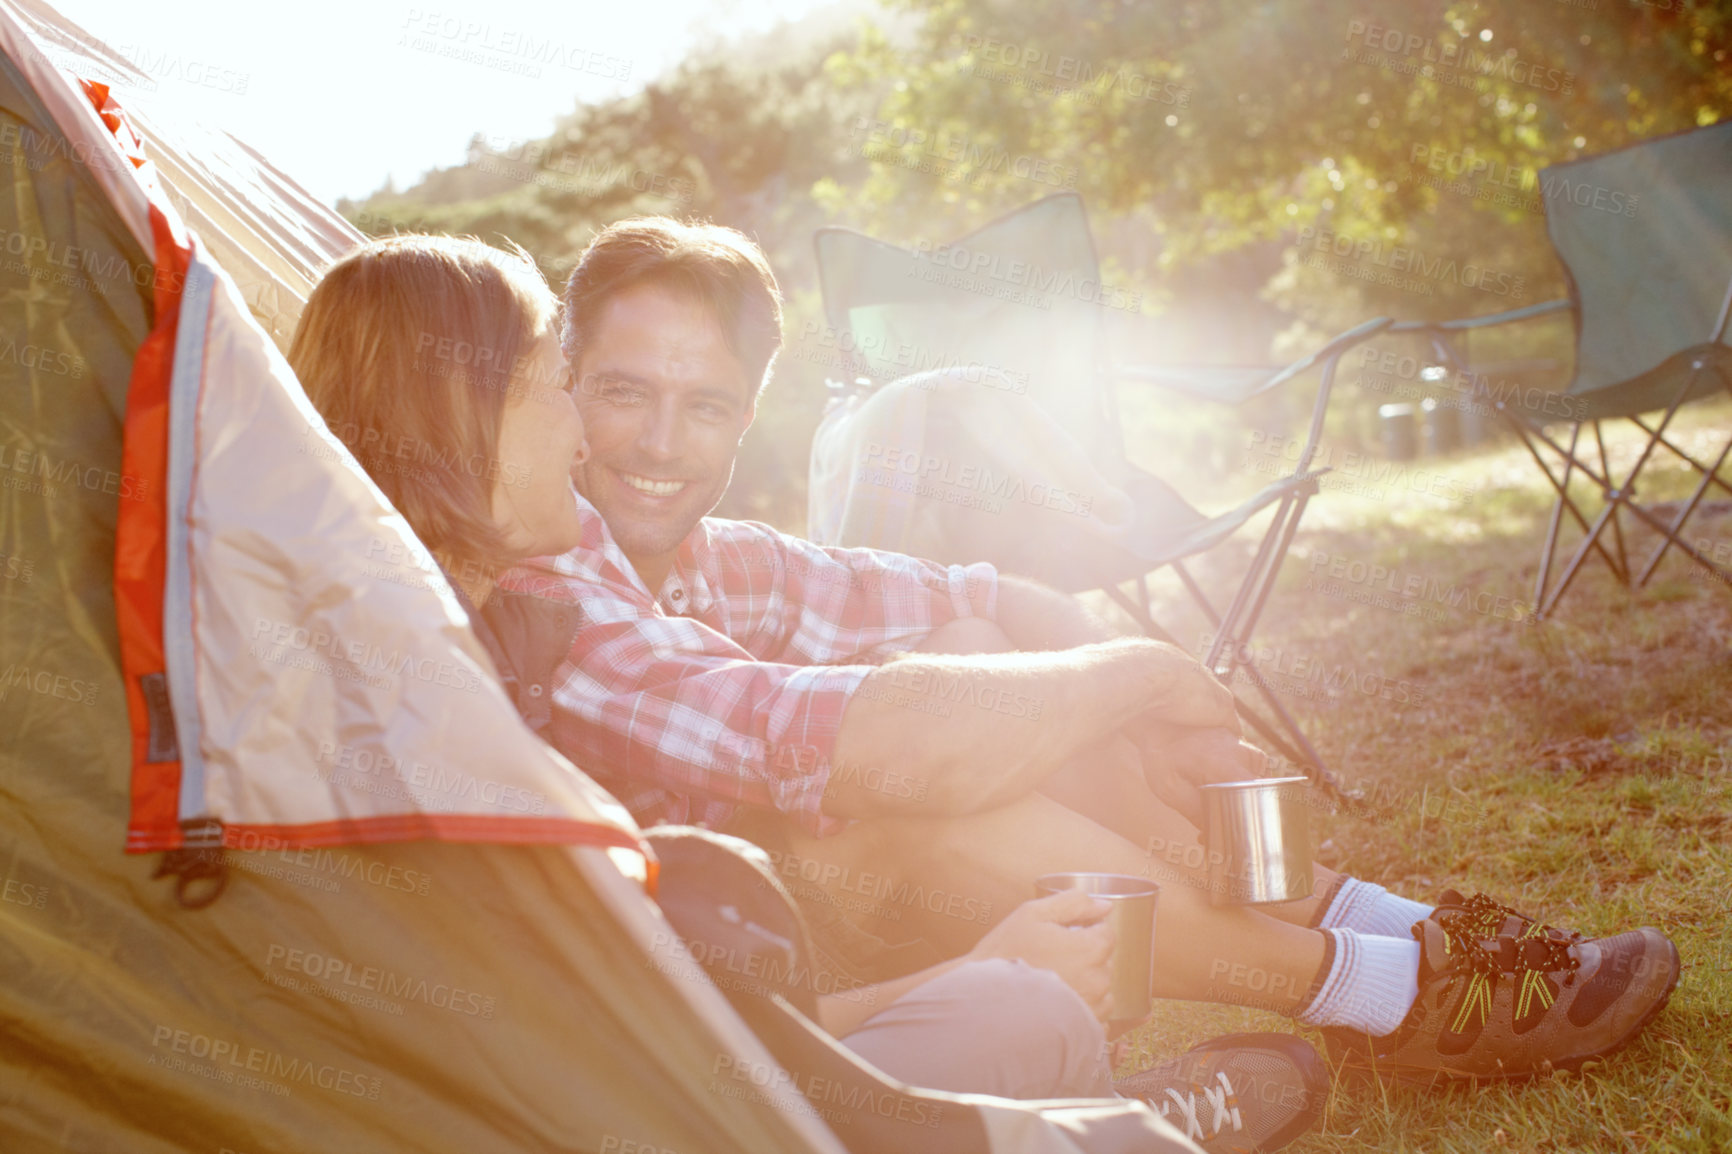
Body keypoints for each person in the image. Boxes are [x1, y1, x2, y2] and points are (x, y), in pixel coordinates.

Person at [513, 216, 1677, 1085]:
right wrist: (1149, 672)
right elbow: (817, 742)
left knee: (978, 646)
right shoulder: (542, 585)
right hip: (725, 1002)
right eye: (623, 392)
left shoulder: (713, 558)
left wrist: (1157, 705)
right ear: (560, 383)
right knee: (916, 785)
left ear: (747, 409)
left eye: (704, 405)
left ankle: (1378, 916)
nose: (661, 443)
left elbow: (978, 593)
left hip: (830, 915)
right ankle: (1393, 990)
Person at [288, 233, 1326, 1153]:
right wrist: (958, 973)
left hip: (696, 1032)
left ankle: (1162, 1054)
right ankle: (1186, 1068)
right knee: (1018, 1001)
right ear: (455, 418)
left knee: (968, 673)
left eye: (702, 405)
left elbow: (936, 605)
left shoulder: (489, 624)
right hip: (626, 1099)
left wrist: (1110, 677)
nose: (594, 437)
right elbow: (604, 1052)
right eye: (565, 386)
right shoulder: (432, 688)